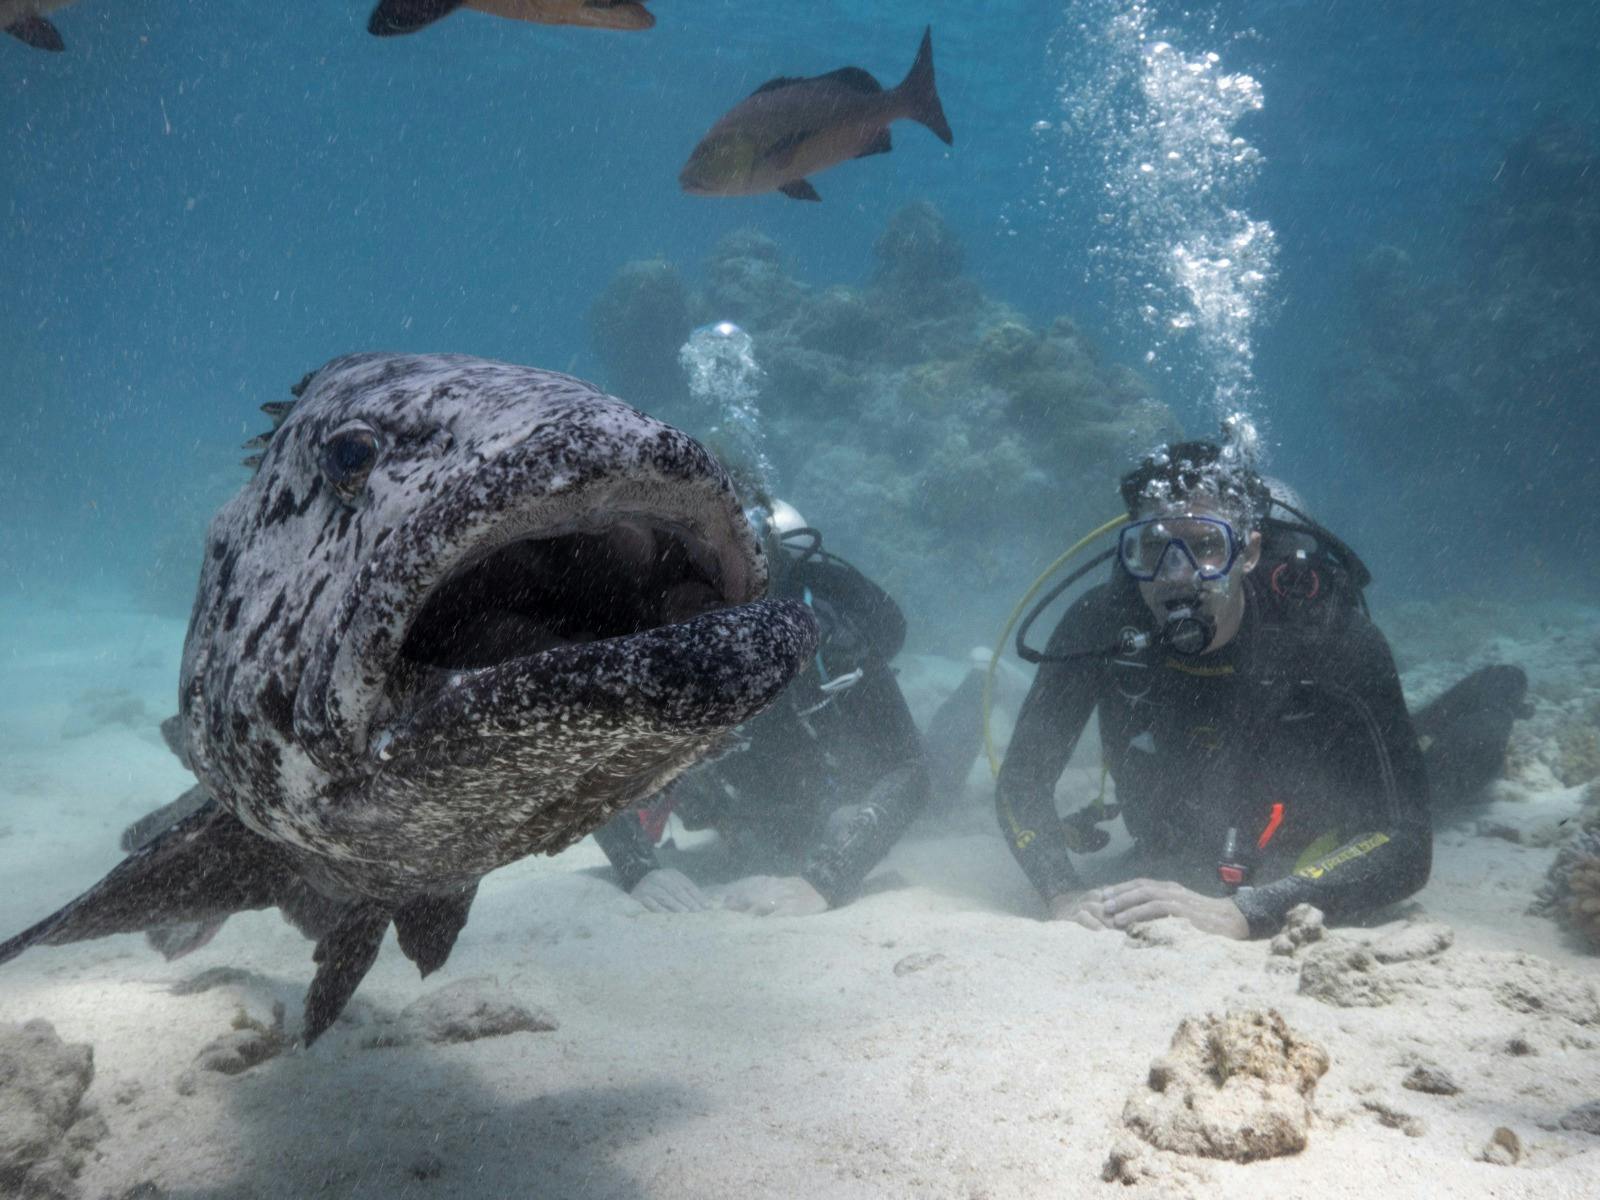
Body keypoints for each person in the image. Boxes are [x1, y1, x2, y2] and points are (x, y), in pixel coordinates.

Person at [995, 440, 1527, 939]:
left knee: (1465, 762)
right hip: (1192, 829)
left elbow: (1406, 843)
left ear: (1248, 553)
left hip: (1315, 827)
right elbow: (1022, 781)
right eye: (1153, 547)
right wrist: (1062, 895)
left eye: (1206, 546)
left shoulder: (1326, 632)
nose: (1176, 575)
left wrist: (1249, 911)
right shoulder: (1101, 623)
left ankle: (1497, 687)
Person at [594, 500, 932, 916]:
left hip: (838, 793)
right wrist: (639, 869)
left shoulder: (831, 639)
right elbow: (586, 769)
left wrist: (830, 875)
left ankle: (981, 686)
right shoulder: (658, 648)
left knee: (947, 784)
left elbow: (911, 768)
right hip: (743, 816)